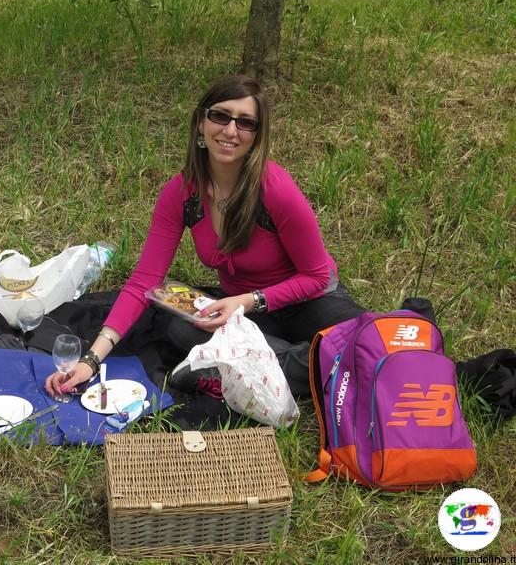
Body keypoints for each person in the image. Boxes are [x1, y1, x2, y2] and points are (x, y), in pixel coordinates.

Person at [45, 74, 365, 400]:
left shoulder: (276, 191)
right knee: (181, 329)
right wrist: (90, 359)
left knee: (364, 339)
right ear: (201, 122)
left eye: (245, 123)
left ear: (256, 136)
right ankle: (313, 362)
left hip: (308, 300)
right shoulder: (181, 194)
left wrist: (246, 301)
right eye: (220, 116)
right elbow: (145, 281)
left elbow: (316, 276)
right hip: (247, 314)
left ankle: (253, 366)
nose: (230, 130)